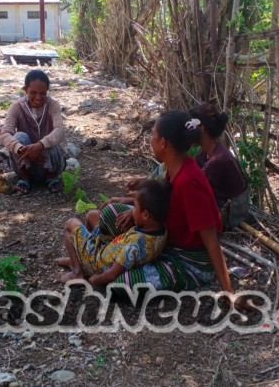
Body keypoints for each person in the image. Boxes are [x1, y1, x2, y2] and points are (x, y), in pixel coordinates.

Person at [98, 110, 234, 293]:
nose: (150, 140)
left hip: (188, 261)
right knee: (110, 214)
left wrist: (228, 292)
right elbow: (160, 199)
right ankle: (104, 258)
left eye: (153, 135)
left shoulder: (189, 182)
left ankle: (110, 262)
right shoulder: (176, 167)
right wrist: (133, 208)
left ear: (163, 143)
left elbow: (210, 239)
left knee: (119, 285)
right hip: (163, 238)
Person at [57, 180, 171, 287]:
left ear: (146, 215)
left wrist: (93, 280)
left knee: (70, 223)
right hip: (110, 248)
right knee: (92, 215)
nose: (132, 210)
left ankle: (77, 272)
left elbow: (111, 274)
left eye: (135, 207)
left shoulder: (133, 246)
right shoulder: (161, 230)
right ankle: (78, 258)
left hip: (97, 261)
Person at [0, 69, 67, 194]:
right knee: (19, 136)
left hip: (50, 162)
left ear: (47, 91)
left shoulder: (52, 105)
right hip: (25, 162)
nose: (38, 97)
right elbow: (4, 134)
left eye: (42, 93)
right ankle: (25, 179)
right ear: (25, 90)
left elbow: (61, 130)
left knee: (49, 139)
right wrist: (21, 149)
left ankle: (50, 178)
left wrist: (40, 145)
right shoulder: (17, 106)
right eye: (33, 93)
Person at [190, 103, 251, 229]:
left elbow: (194, 187)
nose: (187, 131)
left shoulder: (217, 160)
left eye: (190, 126)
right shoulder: (207, 152)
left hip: (229, 214)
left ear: (201, 128)